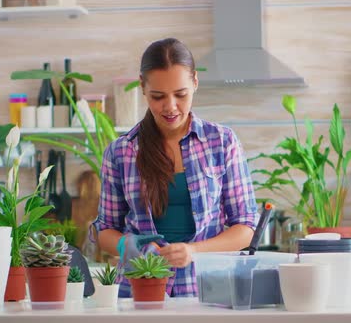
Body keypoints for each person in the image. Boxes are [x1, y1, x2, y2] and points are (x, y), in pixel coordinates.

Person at [92, 37, 258, 297]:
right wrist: (130, 245)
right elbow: (104, 231)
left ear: (195, 83)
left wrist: (193, 251)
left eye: (180, 95)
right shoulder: (121, 151)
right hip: (139, 289)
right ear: (143, 88)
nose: (170, 106)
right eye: (158, 96)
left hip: (206, 291)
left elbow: (246, 228)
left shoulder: (222, 143)